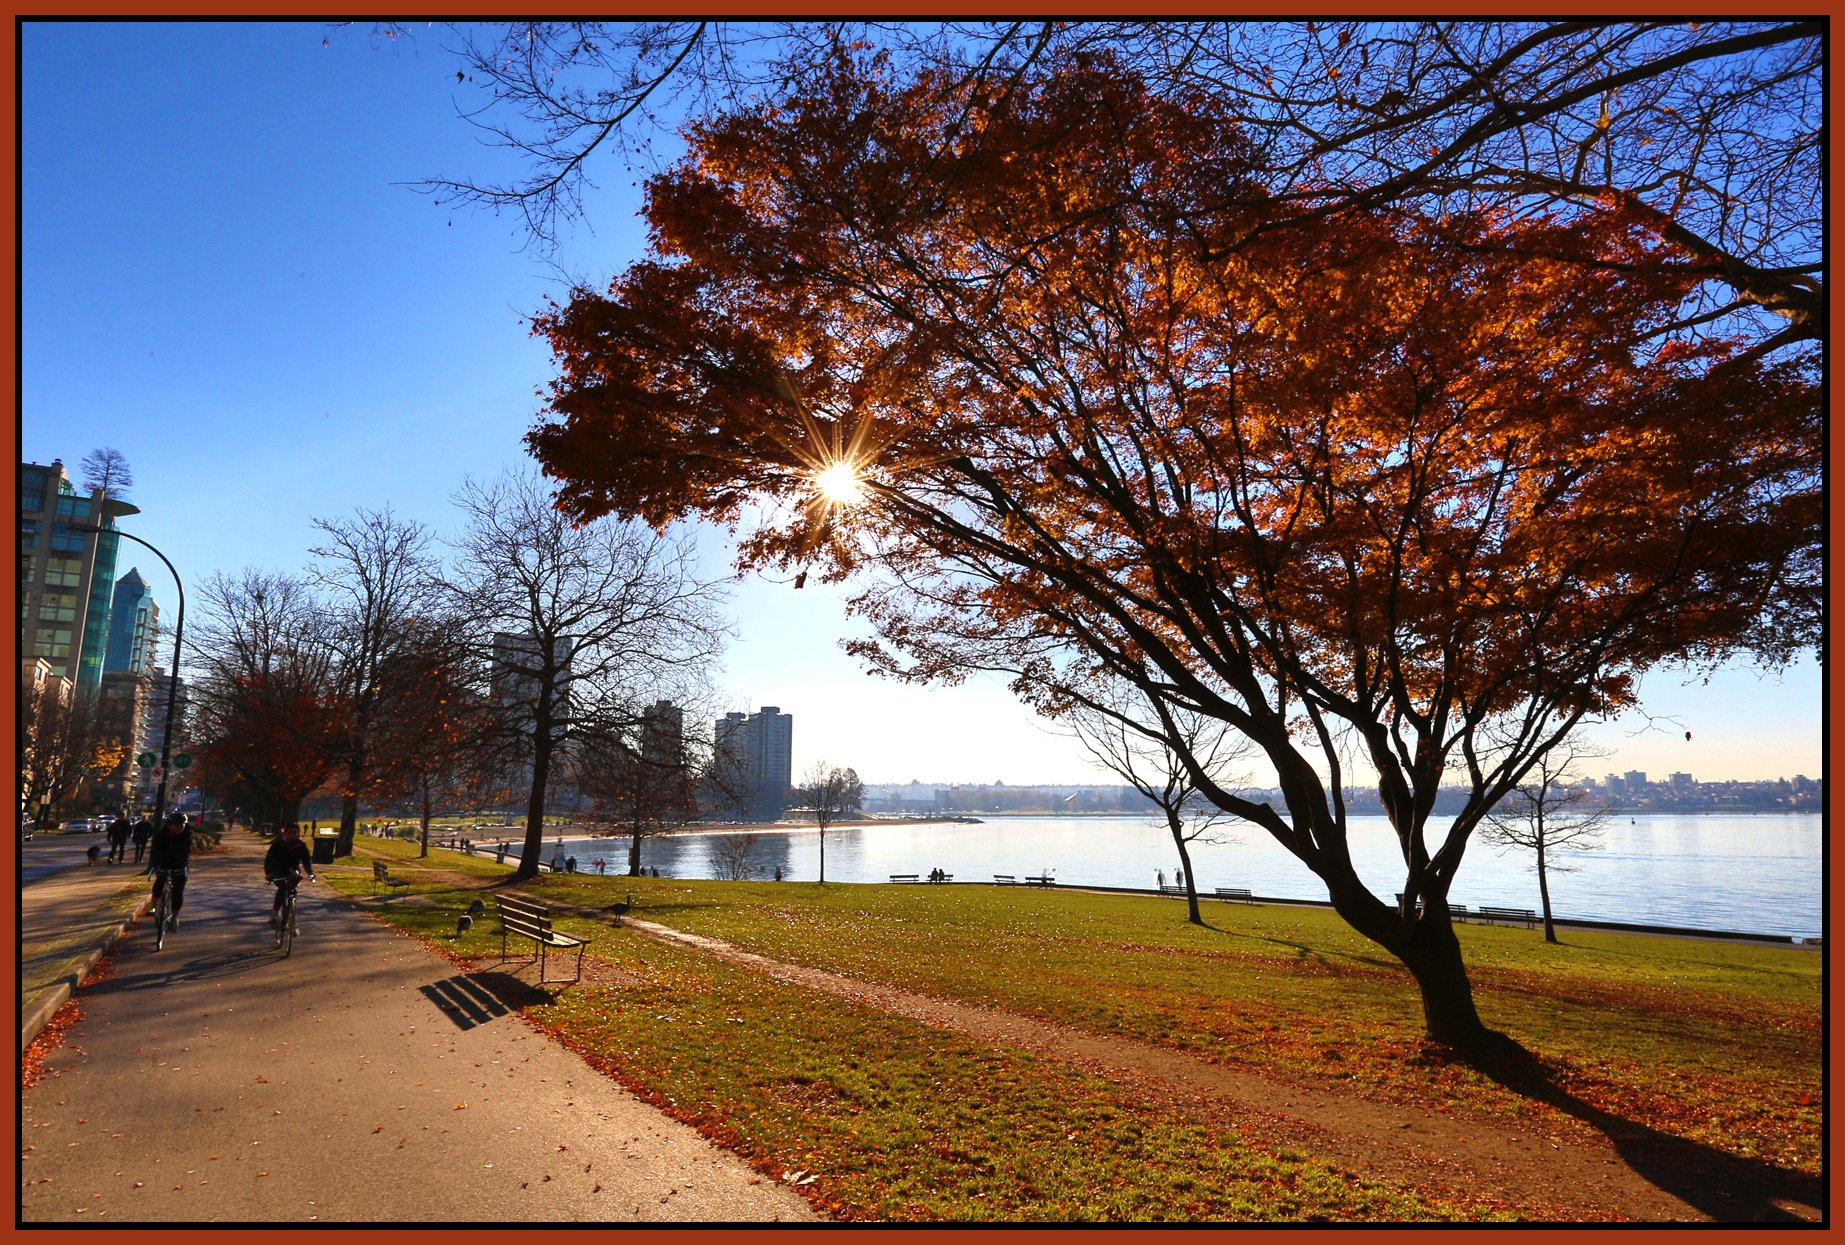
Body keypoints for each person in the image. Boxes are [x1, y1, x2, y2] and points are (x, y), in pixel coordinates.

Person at [144, 811, 194, 929]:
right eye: (176, 825)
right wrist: (156, 865)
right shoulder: (160, 836)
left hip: (179, 865)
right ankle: (153, 905)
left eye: (182, 825)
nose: (179, 828)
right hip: (164, 863)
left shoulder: (186, 836)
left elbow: (186, 853)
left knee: (178, 892)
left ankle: (174, 917)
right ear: (169, 825)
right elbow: (156, 851)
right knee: (159, 884)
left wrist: (182, 866)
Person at [263, 824, 316, 928]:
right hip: (278, 872)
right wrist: (269, 873)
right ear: (285, 833)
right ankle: (275, 913)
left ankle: (293, 921)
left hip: (293, 872)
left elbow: (306, 860)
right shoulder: (278, 844)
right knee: (282, 889)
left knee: (293, 890)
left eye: (295, 833)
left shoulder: (301, 845)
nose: (292, 835)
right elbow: (269, 860)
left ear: (298, 834)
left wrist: (310, 873)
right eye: (289, 833)